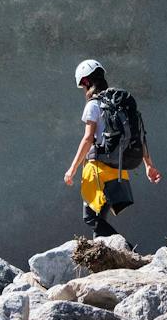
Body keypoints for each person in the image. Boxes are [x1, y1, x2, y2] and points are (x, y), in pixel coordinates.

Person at [64, 59, 162, 238]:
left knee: (91, 218)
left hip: (98, 173)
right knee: (99, 220)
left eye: (83, 86)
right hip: (118, 171)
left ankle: (127, 252)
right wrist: (148, 165)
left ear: (86, 82)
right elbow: (138, 135)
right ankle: (107, 260)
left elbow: (87, 139)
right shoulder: (119, 104)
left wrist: (73, 168)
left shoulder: (93, 105)